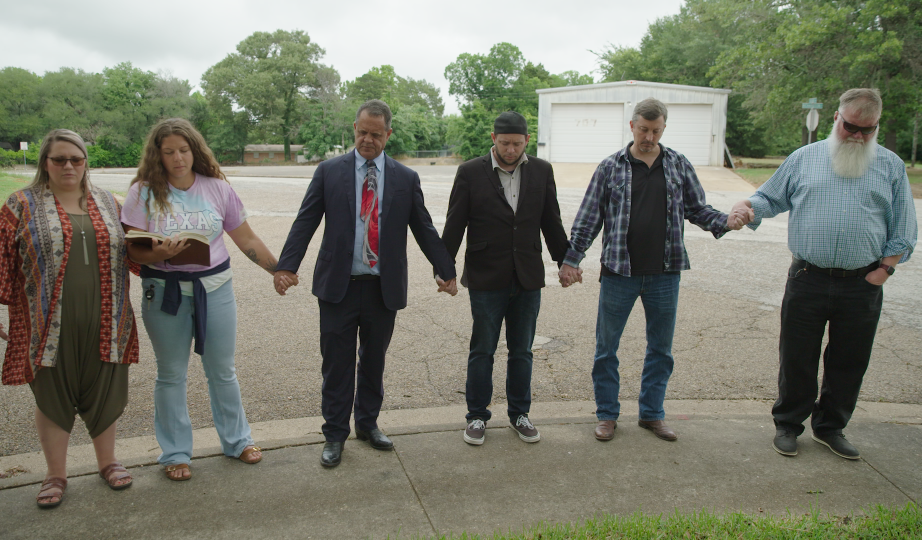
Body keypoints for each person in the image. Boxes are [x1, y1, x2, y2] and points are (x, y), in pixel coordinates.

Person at [730, 88, 917, 460]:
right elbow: (771, 198)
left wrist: (885, 270)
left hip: (862, 283)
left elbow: (903, 228)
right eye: (851, 127)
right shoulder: (804, 159)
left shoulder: (891, 166)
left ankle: (831, 428)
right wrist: (746, 207)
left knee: (849, 360)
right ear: (836, 119)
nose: (858, 136)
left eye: (868, 129)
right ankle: (788, 425)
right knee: (797, 356)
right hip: (808, 278)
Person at [274, 99, 457, 467]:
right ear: (354, 130)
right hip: (337, 287)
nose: (367, 140)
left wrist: (445, 269)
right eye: (361, 132)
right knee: (336, 364)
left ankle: (368, 424)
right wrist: (286, 266)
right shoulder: (329, 171)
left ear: (388, 134)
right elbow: (305, 221)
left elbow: (422, 227)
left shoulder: (406, 178)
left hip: (381, 287)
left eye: (375, 134)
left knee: (373, 361)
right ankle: (335, 434)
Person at [559, 98, 746, 443]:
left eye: (656, 130)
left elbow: (698, 209)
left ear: (663, 128)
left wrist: (727, 221)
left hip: (665, 272)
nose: (649, 136)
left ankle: (652, 414)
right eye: (643, 129)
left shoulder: (677, 164)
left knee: (661, 349)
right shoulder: (610, 167)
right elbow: (588, 218)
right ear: (632, 126)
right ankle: (607, 415)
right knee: (606, 349)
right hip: (619, 272)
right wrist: (572, 259)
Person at [0, 129, 139, 508]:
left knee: (106, 391)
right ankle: (56, 474)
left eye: (76, 159)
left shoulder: (111, 204)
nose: (68, 166)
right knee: (52, 397)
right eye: (59, 159)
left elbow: (140, 251)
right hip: (45, 323)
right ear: (44, 163)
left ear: (85, 163)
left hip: (107, 318)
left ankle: (108, 462)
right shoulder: (20, 204)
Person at [122, 118, 281, 480]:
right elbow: (132, 250)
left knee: (222, 370)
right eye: (169, 152)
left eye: (183, 150)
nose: (178, 158)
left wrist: (279, 270)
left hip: (216, 289)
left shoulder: (217, 189)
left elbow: (247, 240)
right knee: (171, 374)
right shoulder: (142, 193)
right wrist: (158, 251)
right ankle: (175, 453)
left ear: (195, 151)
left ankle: (238, 441)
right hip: (165, 292)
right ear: (157, 155)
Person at [441, 111, 569, 446]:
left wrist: (565, 261)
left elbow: (551, 220)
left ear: (526, 140)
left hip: (527, 276)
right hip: (486, 276)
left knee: (522, 350)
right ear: (493, 139)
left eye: (516, 143)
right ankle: (477, 417)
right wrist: (445, 268)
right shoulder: (470, 172)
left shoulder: (542, 171)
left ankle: (520, 414)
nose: (510, 150)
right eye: (504, 143)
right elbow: (455, 222)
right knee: (482, 349)